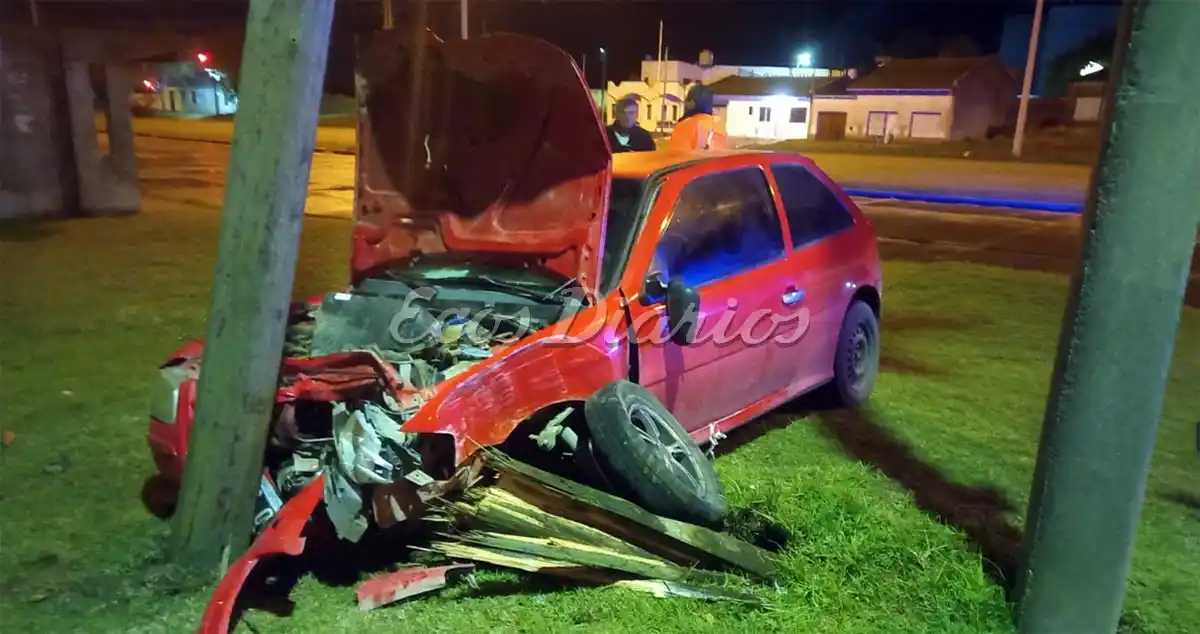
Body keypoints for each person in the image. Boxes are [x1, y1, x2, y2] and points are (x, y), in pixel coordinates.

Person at [667, 84, 729, 152]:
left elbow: (675, 157)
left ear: (692, 103)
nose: (685, 103)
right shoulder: (720, 126)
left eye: (687, 99)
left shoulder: (685, 126)